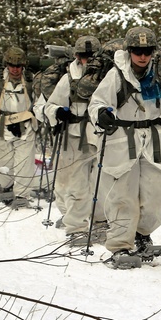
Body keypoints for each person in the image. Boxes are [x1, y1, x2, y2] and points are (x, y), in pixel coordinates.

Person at [88, 26, 161, 269]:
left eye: (147, 51)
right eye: (137, 51)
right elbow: (97, 103)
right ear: (129, 51)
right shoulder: (116, 75)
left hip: (154, 138)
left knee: (156, 194)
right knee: (123, 195)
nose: (142, 56)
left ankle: (141, 234)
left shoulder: (160, 74)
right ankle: (120, 245)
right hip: (122, 138)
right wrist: (102, 114)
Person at [44, 35, 107, 245]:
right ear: (77, 56)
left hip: (101, 134)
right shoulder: (69, 77)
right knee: (76, 184)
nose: (87, 60)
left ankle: (100, 223)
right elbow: (50, 104)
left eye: (91, 56)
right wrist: (58, 112)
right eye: (83, 56)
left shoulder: (107, 75)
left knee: (103, 182)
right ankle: (77, 227)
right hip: (74, 136)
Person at [0, 46, 39, 208]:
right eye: (11, 65)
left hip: (26, 124)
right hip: (2, 125)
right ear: (6, 65)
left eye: (18, 66)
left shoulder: (32, 80)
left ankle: (21, 195)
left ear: (23, 66)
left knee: (24, 162)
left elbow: (39, 104)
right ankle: (6, 186)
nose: (15, 69)